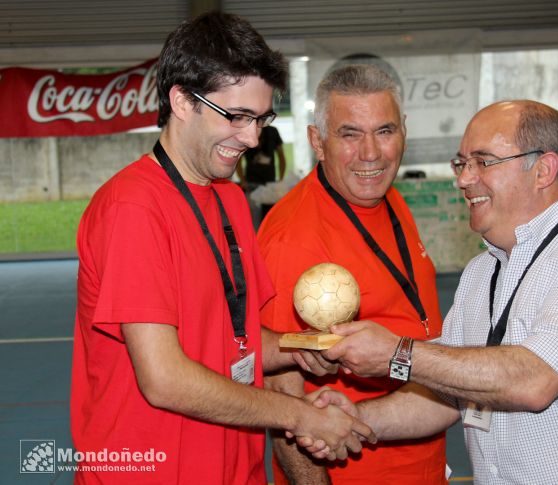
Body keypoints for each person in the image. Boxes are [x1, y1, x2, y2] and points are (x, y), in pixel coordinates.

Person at [310, 99, 558, 484]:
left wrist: (398, 353)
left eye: (483, 162)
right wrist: (356, 419)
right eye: (461, 163)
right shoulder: (483, 270)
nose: (463, 179)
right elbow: (450, 393)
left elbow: (533, 381)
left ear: (543, 169)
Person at [70, 12, 372, 485]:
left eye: (261, 119)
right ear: (182, 102)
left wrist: (301, 347)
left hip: (236, 468)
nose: (252, 138)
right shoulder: (133, 207)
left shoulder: (229, 198)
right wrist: (297, 416)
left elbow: (238, 340)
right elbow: (164, 379)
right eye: (237, 117)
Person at [257, 64, 448, 484]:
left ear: (404, 131)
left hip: (421, 458)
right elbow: (282, 395)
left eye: (384, 131)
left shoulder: (387, 197)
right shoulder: (295, 238)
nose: (371, 153)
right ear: (317, 142)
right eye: (349, 134)